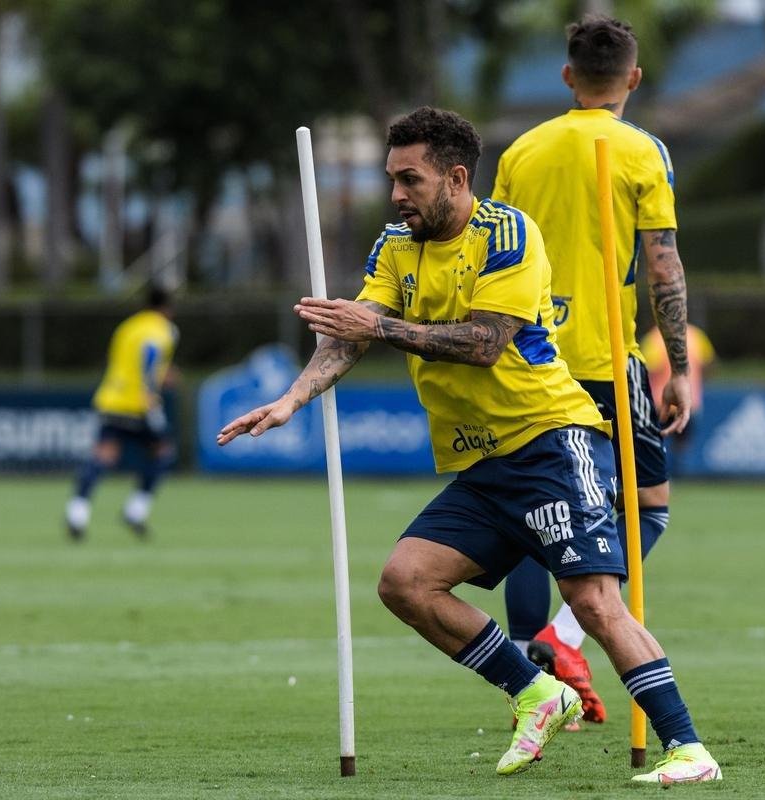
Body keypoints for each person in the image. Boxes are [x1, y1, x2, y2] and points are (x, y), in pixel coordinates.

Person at [218, 107, 720, 784]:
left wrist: (383, 325)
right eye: (391, 178)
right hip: (481, 462)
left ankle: (688, 748)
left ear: (456, 178)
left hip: (548, 438)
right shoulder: (393, 246)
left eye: (409, 179)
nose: (395, 194)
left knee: (593, 602)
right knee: (405, 583)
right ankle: (537, 692)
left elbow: (483, 344)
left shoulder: (507, 233)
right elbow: (352, 336)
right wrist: (292, 398)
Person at [491, 14, 695, 729]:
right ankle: (563, 639)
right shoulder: (643, 150)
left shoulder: (521, 150)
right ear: (633, 78)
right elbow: (662, 264)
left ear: (568, 76)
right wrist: (679, 365)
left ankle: (532, 684)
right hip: (608, 360)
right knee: (649, 509)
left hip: (530, 358)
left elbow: (499, 255)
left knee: (528, 519)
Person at [65, 285, 179, 541]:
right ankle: (136, 511)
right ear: (167, 309)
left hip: (111, 399)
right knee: (163, 452)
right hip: (138, 404)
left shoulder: (128, 327)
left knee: (103, 456)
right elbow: (150, 355)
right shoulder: (163, 329)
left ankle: (77, 512)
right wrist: (152, 389)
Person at [642, 323, 715, 469]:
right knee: (681, 447)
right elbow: (710, 364)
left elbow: (647, 368)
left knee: (655, 445)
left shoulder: (654, 337)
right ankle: (679, 478)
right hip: (689, 401)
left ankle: (666, 479)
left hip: (661, 402)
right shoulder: (695, 335)